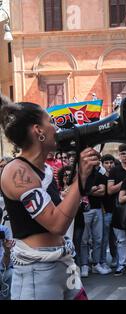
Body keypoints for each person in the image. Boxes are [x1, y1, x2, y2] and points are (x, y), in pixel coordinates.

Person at [0, 95, 98, 300]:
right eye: (51, 122)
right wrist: (80, 178)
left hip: (62, 264)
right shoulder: (18, 172)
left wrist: (79, 180)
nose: (56, 128)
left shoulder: (43, 170)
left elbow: (61, 213)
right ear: (38, 131)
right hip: (37, 274)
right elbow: (57, 223)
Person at [80, 156, 110, 277]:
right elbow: (79, 191)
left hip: (97, 209)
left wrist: (88, 190)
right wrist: (91, 190)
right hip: (85, 210)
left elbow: (102, 191)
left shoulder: (100, 176)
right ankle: (84, 265)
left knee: (98, 239)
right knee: (84, 240)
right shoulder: (81, 176)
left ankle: (96, 264)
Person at [108, 144, 126, 276]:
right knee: (121, 239)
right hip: (119, 208)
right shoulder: (114, 170)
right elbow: (110, 190)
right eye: (123, 154)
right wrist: (125, 182)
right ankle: (122, 264)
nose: (125, 156)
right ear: (119, 155)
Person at [100, 154, 116, 270]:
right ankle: (103, 261)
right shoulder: (100, 177)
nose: (109, 165)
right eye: (106, 163)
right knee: (104, 238)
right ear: (102, 164)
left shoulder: (116, 175)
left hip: (116, 211)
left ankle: (115, 258)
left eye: (111, 162)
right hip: (105, 211)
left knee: (115, 238)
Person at [0, 224, 14, 300]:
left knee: (10, 274)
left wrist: (7, 250)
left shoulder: (4, 230)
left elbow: (5, 265)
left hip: (2, 270)